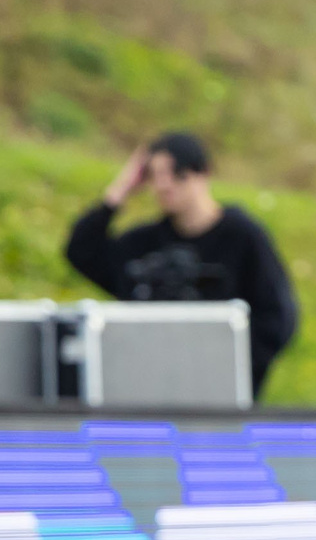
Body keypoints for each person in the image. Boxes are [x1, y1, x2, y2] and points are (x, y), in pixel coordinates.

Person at [64, 132, 299, 394]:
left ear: (204, 173)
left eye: (178, 173)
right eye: (154, 175)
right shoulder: (143, 244)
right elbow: (82, 252)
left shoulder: (242, 236)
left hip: (220, 398)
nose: (164, 185)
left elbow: (277, 318)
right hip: (150, 391)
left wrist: (227, 364)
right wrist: (120, 190)